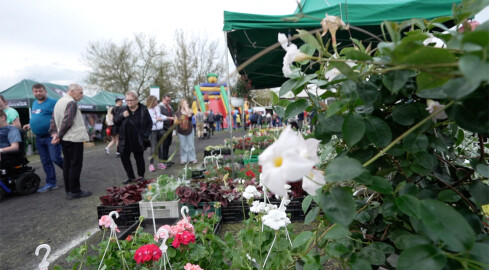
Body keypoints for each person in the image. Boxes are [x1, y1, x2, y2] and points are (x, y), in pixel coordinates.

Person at [50, 84, 91, 200]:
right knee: (75, 165)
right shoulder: (71, 103)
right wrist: (58, 135)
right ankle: (75, 190)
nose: (82, 95)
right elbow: (68, 121)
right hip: (73, 138)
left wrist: (54, 134)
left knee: (67, 164)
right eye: (80, 93)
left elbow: (53, 119)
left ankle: (69, 190)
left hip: (65, 139)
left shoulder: (59, 102)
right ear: (72, 91)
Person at [22, 83, 63, 193]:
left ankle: (71, 171)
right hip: (39, 138)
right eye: (36, 91)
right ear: (33, 92)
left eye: (40, 91)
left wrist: (58, 133)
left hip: (51, 136)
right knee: (45, 161)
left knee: (56, 158)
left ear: (45, 92)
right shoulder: (34, 103)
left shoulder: (53, 102)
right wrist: (30, 124)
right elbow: (36, 117)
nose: (38, 93)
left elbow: (61, 117)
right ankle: (51, 183)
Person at [114, 91, 152, 184]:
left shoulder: (143, 109)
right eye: (127, 100)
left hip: (138, 138)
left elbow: (149, 123)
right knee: (124, 157)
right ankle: (130, 176)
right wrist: (122, 116)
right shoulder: (122, 109)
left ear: (137, 100)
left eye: (131, 100)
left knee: (139, 157)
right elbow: (115, 121)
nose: (129, 102)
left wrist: (146, 135)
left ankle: (141, 176)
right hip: (125, 138)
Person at [146, 95, 172, 172]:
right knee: (153, 148)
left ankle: (160, 163)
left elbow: (160, 116)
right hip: (152, 131)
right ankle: (151, 164)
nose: (157, 102)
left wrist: (168, 117)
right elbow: (150, 121)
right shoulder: (147, 110)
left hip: (160, 130)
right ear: (152, 101)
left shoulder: (157, 108)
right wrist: (157, 119)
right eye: (156, 101)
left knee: (160, 147)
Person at [175, 99, 197, 164]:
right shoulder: (177, 112)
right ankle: (183, 159)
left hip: (190, 130)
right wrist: (177, 121)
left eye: (186, 103)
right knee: (183, 146)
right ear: (181, 104)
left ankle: (192, 158)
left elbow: (189, 115)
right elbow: (175, 121)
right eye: (184, 103)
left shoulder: (190, 111)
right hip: (181, 131)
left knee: (191, 145)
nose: (185, 105)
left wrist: (186, 108)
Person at [159, 94, 174, 167]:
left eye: (169, 100)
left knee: (168, 144)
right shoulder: (160, 107)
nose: (168, 102)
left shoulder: (170, 107)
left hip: (170, 128)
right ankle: (163, 161)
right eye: (167, 100)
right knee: (164, 145)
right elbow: (160, 118)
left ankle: (167, 159)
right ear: (163, 99)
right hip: (164, 129)